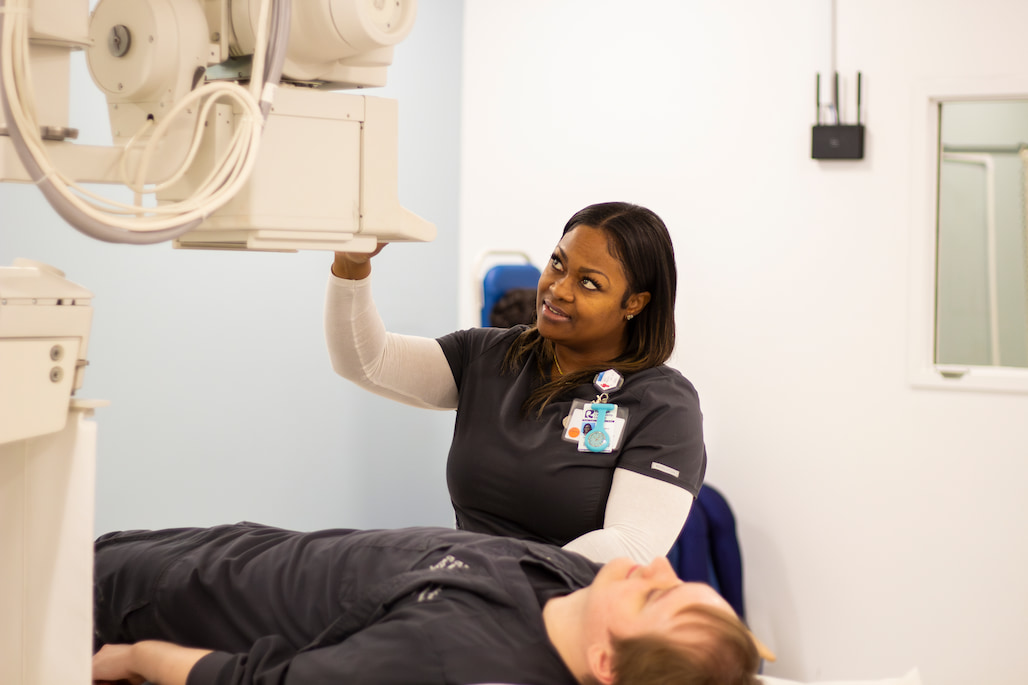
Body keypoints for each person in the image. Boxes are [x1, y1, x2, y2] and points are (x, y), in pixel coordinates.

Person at [325, 202, 706, 564]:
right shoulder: (490, 356)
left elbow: (629, 545)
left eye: (589, 283)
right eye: (558, 263)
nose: (559, 288)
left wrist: (496, 582)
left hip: (563, 609)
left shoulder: (663, 406)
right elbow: (367, 361)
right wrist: (351, 263)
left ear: (634, 304)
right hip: (462, 594)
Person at [91, 523, 771, 685]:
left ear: (606, 663)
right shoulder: (576, 579)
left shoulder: (453, 660)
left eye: (654, 594)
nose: (653, 564)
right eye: (676, 578)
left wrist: (132, 655)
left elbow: (256, 683)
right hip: (211, 550)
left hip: (133, 614)